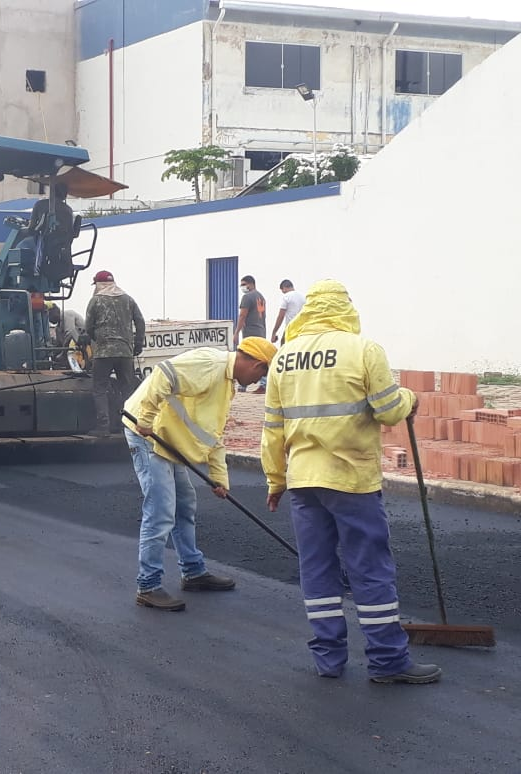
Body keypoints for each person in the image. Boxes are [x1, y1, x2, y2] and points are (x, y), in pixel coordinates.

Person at [261, 280, 441, 685]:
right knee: (369, 569)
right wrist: (410, 399)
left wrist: (275, 480)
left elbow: (272, 428)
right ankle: (388, 661)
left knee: (317, 569)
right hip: (351, 480)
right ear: (345, 308)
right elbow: (389, 410)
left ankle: (328, 658)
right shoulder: (363, 350)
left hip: (303, 482)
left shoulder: (284, 357)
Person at [124, 337, 277, 611]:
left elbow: (212, 434)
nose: (258, 381)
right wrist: (145, 419)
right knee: (161, 510)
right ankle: (148, 585)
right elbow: (163, 374)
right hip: (146, 434)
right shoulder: (210, 364)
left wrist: (219, 479)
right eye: (262, 374)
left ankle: (193, 572)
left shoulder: (226, 385)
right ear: (256, 364)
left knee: (184, 505)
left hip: (167, 436)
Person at [83, 270, 145, 436]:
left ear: (98, 284)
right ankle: (127, 427)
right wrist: (138, 343)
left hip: (103, 353)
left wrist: (97, 339)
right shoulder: (128, 299)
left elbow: (88, 327)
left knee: (100, 389)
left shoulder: (96, 301)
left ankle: (103, 427)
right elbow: (140, 322)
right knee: (127, 390)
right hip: (125, 353)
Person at [29, 183, 75, 281]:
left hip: (44, 250)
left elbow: (31, 229)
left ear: (51, 192)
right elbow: (71, 234)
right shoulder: (68, 210)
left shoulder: (39, 205)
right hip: (62, 253)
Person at [233, 275, 268, 394]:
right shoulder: (261, 297)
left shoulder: (247, 297)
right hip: (260, 331)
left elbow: (242, 315)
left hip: (251, 331)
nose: (242, 287)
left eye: (244, 284)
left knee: (246, 357)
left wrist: (236, 333)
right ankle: (262, 384)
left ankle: (244, 384)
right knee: (260, 357)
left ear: (251, 284)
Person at [270, 279, 306, 345]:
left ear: (284, 288)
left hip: (290, 329)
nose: (283, 293)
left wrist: (274, 332)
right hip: (301, 330)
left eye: (282, 291)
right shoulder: (303, 297)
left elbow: (281, 316)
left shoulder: (287, 296)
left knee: (284, 348)